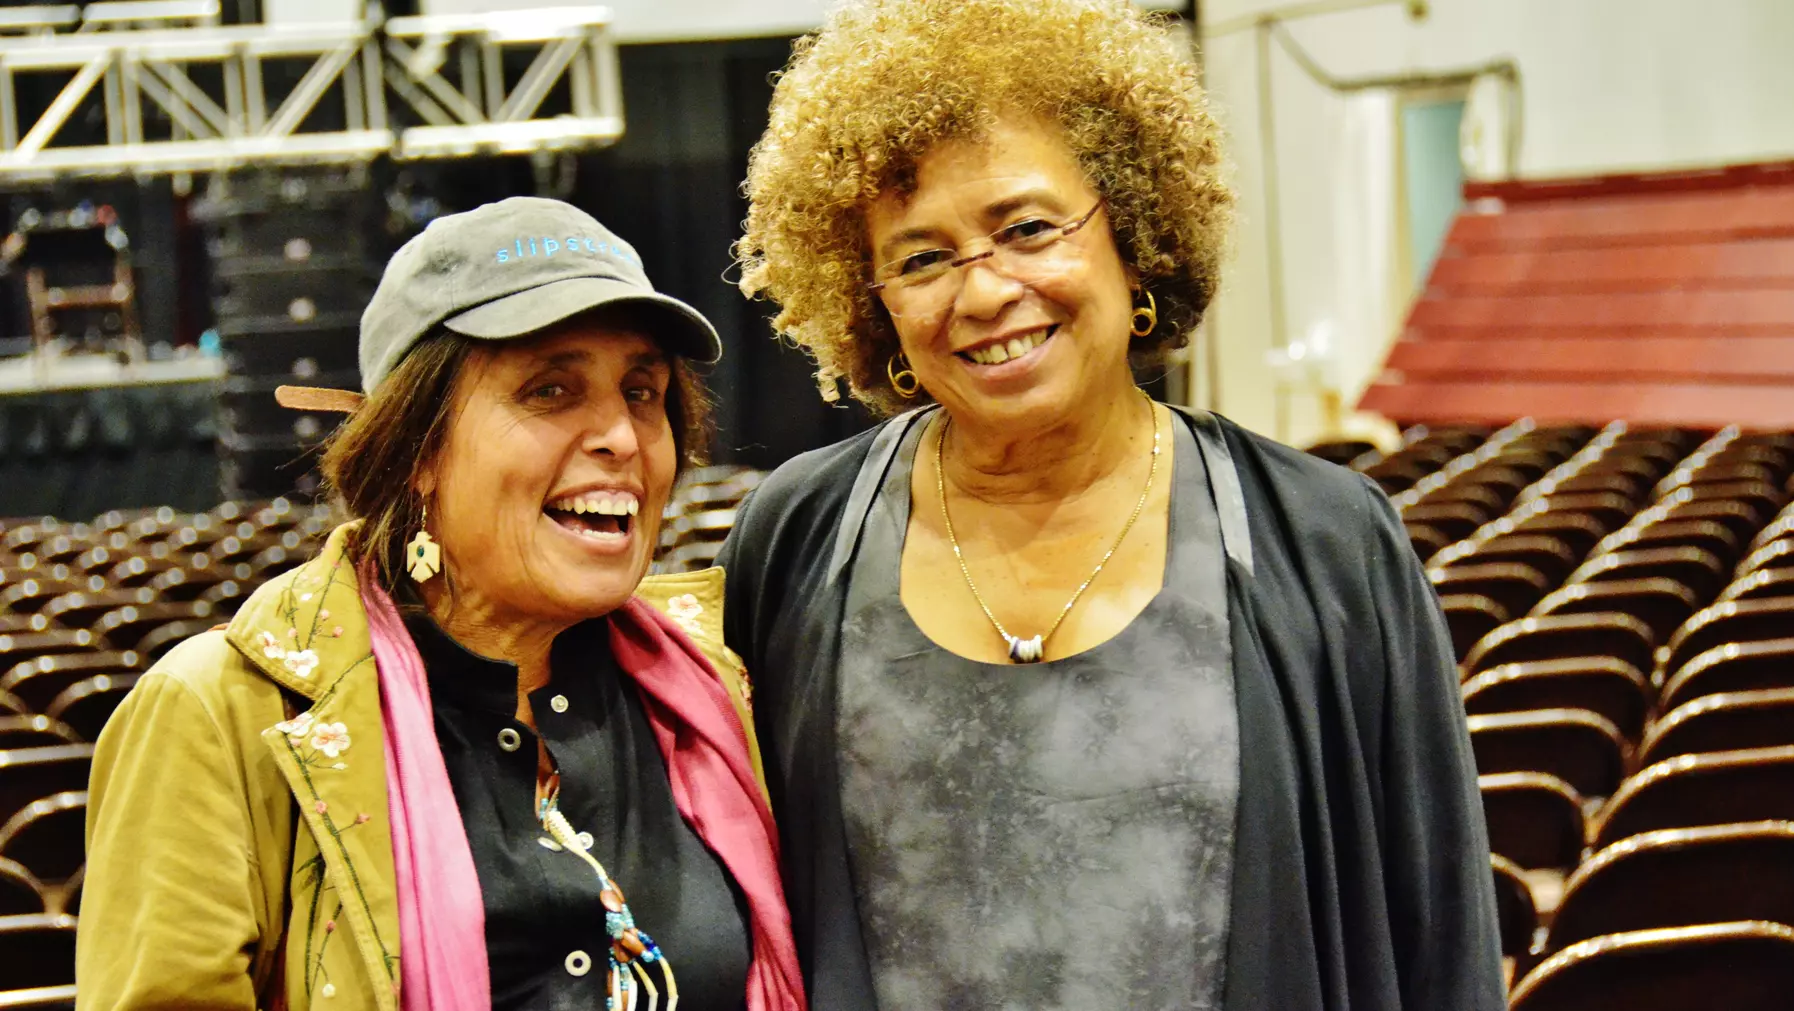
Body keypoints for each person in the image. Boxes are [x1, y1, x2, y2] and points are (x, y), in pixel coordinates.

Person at [720, 1, 1505, 1009]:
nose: (986, 290)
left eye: (1028, 229)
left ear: (1133, 239)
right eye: (922, 258)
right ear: (875, 304)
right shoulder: (797, 539)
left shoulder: (1327, 539)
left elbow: (1438, 929)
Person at [77, 197, 806, 1011]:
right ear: (417, 446)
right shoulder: (220, 716)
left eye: (642, 391)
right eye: (552, 389)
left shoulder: (721, 683)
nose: (624, 438)